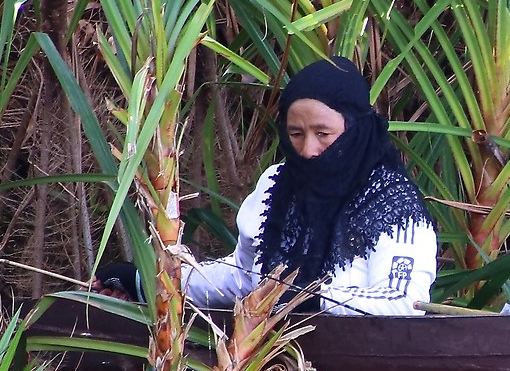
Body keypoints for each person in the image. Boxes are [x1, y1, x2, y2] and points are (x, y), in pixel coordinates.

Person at [182, 57, 437, 316]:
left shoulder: (393, 203)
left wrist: (309, 298)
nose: (308, 150)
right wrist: (167, 282)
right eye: (296, 134)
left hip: (353, 353)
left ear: (355, 128)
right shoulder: (276, 185)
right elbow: (243, 276)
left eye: (323, 134)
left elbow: (404, 302)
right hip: (265, 353)